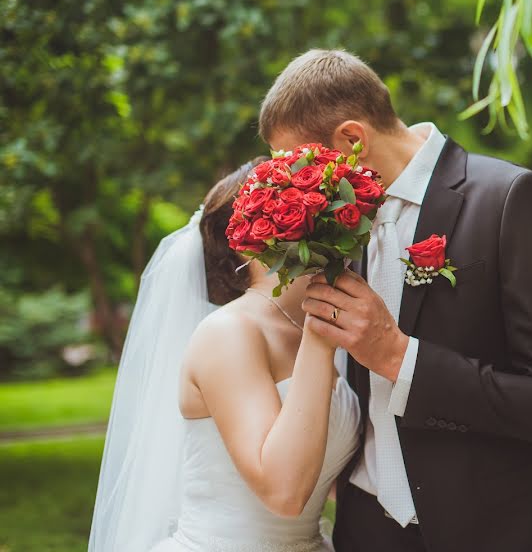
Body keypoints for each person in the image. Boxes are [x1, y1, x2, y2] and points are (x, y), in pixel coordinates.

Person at [261, 49, 532, 552]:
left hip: (498, 530)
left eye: (299, 165)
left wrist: (398, 356)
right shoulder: (334, 227)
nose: (293, 187)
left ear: (352, 139)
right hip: (368, 531)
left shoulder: (507, 199)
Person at [89, 158, 361, 552]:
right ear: (261, 235)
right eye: (315, 208)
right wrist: (320, 337)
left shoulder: (307, 327)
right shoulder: (229, 334)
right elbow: (284, 493)